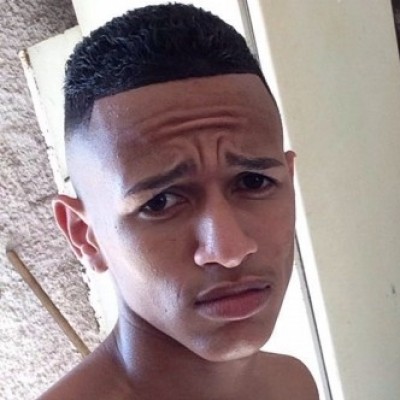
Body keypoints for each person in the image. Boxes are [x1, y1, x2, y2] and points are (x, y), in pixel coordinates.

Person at [39, 3, 319, 399]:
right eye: (160, 202)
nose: (229, 251)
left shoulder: (291, 383)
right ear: (85, 235)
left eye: (253, 181)